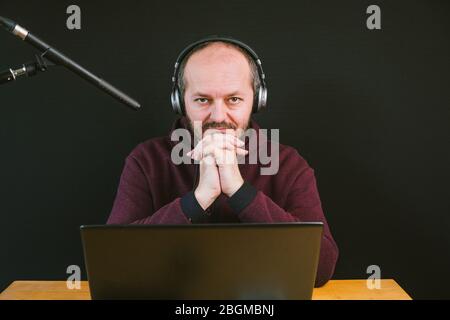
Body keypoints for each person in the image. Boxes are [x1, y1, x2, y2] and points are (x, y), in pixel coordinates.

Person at [107, 36, 338, 287]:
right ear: (180, 101)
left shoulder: (288, 164)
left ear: (258, 100)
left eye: (234, 99)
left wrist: (239, 191)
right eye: (202, 100)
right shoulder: (146, 160)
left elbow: (321, 268)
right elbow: (114, 262)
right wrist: (197, 199)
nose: (218, 116)